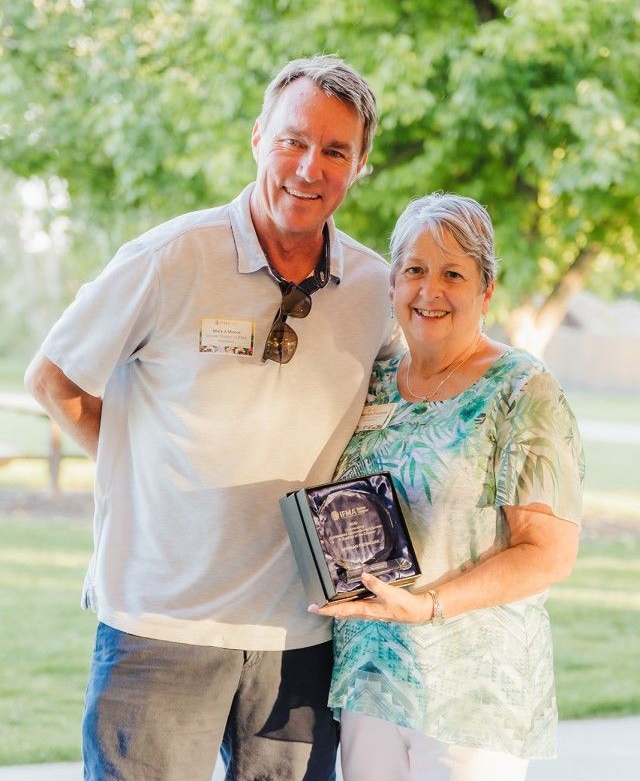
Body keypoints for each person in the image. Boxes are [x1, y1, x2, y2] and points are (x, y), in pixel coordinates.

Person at [24, 55, 402, 781]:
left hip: (303, 637)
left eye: (335, 151)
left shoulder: (375, 291)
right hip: (161, 627)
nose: (308, 167)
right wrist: (144, 478)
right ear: (258, 138)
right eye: (294, 140)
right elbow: (55, 378)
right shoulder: (170, 258)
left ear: (359, 167)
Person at [311, 193, 584, 781]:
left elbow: (549, 553)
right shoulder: (374, 382)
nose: (429, 291)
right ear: (392, 285)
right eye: (414, 270)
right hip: (370, 679)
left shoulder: (522, 391)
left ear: (486, 291)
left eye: (452, 273)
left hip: (472, 694)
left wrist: (429, 607)